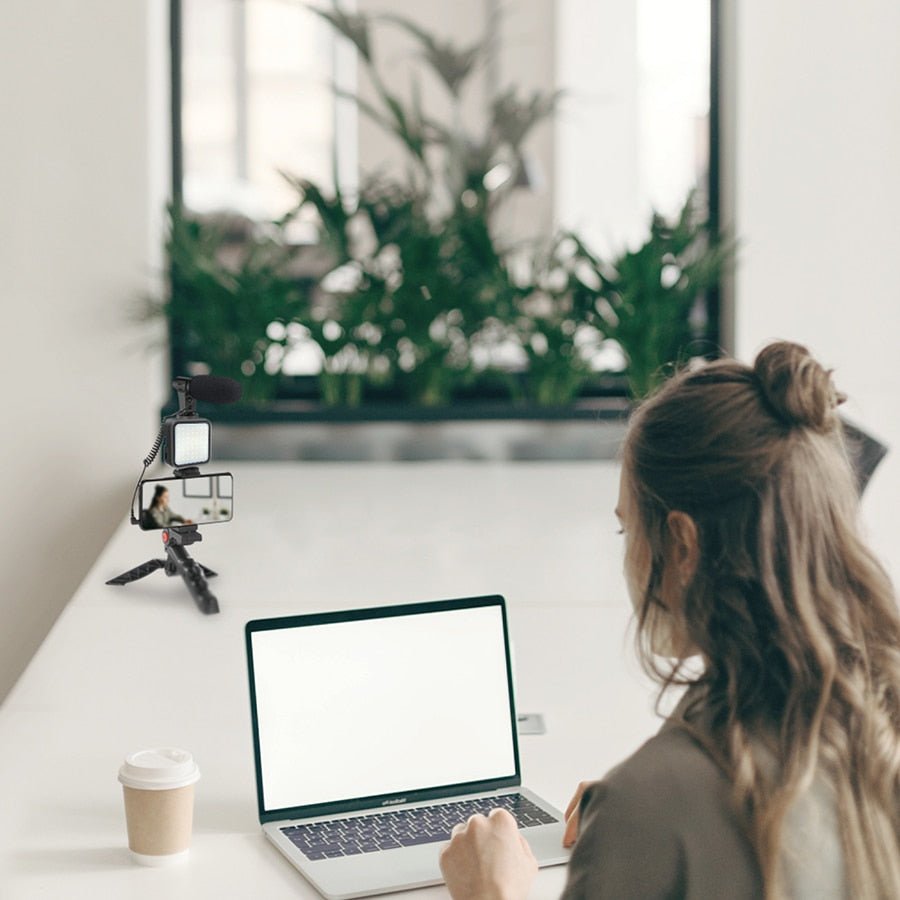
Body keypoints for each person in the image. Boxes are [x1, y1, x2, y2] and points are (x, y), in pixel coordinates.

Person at [439, 341, 900, 900]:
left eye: (626, 530)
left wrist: (490, 889)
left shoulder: (649, 808)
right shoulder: (878, 719)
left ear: (682, 544)